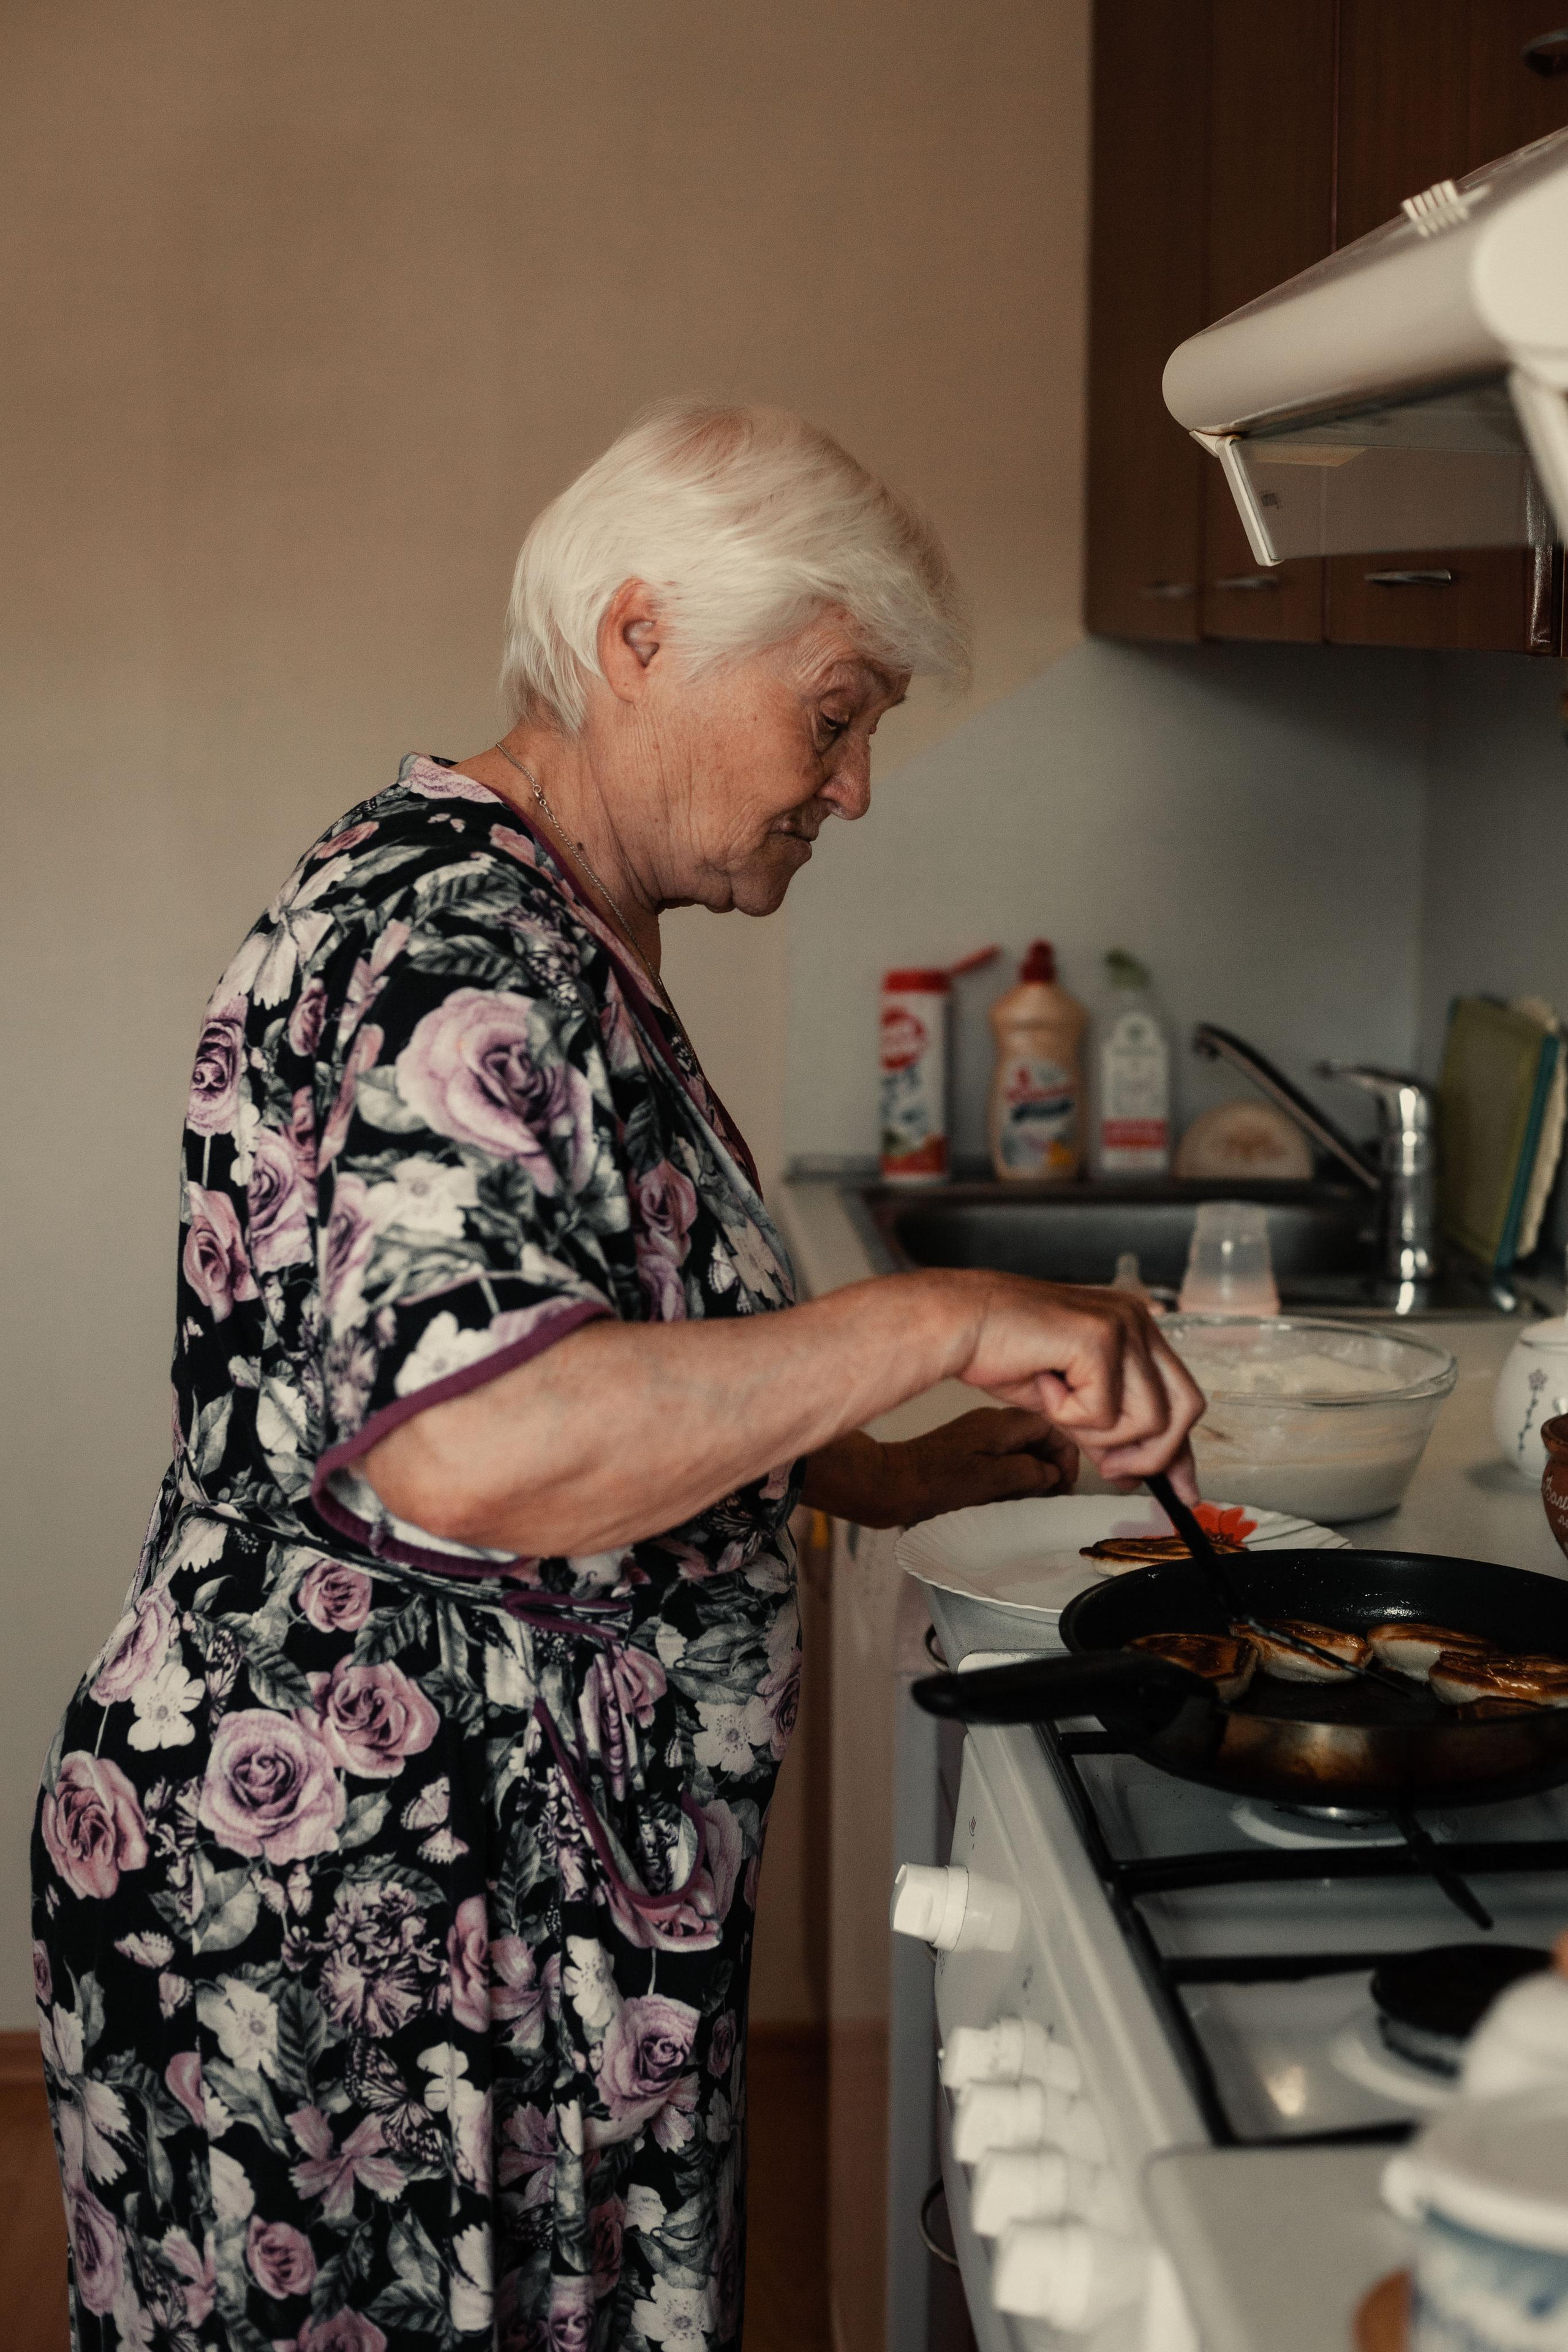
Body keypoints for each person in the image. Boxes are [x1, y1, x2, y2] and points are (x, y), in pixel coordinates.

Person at [32, 401, 1202, 2351]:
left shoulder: (527, 914)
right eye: (834, 713)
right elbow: (480, 1443)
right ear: (638, 635)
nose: (852, 787)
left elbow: (600, 1340)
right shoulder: (461, 951)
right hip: (374, 1932)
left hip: (460, 1899)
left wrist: (886, 1475)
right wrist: (937, 1315)